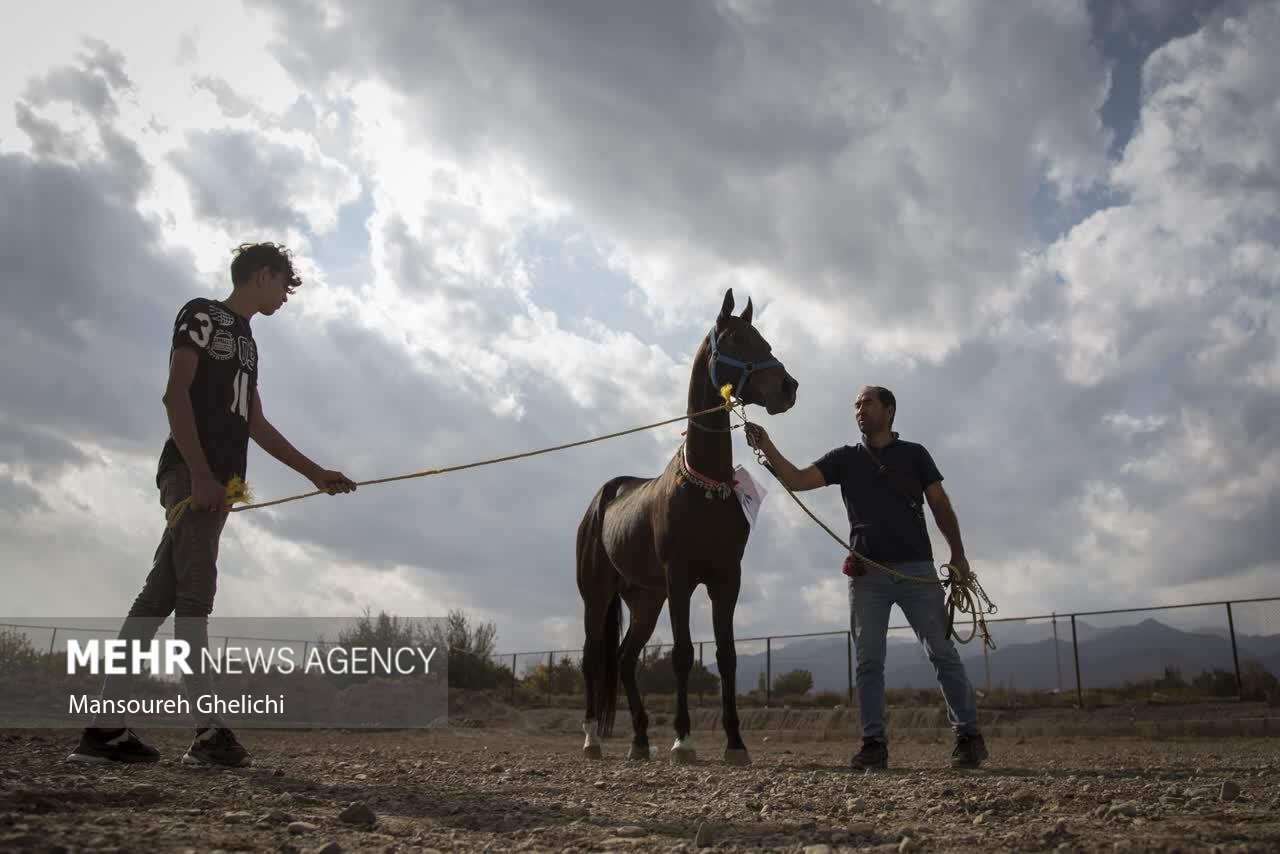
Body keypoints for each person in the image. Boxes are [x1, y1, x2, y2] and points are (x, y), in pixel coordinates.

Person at [67, 242, 357, 768]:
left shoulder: (247, 341)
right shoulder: (202, 314)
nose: (286, 296)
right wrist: (199, 474)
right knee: (195, 599)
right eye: (284, 284)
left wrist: (316, 474)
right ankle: (208, 732)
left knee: (159, 598)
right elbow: (175, 394)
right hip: (191, 476)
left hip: (219, 486)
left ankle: (104, 730)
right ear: (261, 274)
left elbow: (255, 424)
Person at [744, 385, 987, 770]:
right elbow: (798, 479)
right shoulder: (845, 458)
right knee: (868, 662)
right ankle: (874, 744)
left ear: (889, 411)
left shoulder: (915, 454)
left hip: (917, 570)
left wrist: (958, 555)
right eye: (856, 404)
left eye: (867, 402)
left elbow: (939, 505)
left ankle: (969, 737)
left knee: (942, 654)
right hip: (866, 575)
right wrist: (766, 445)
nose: (859, 409)